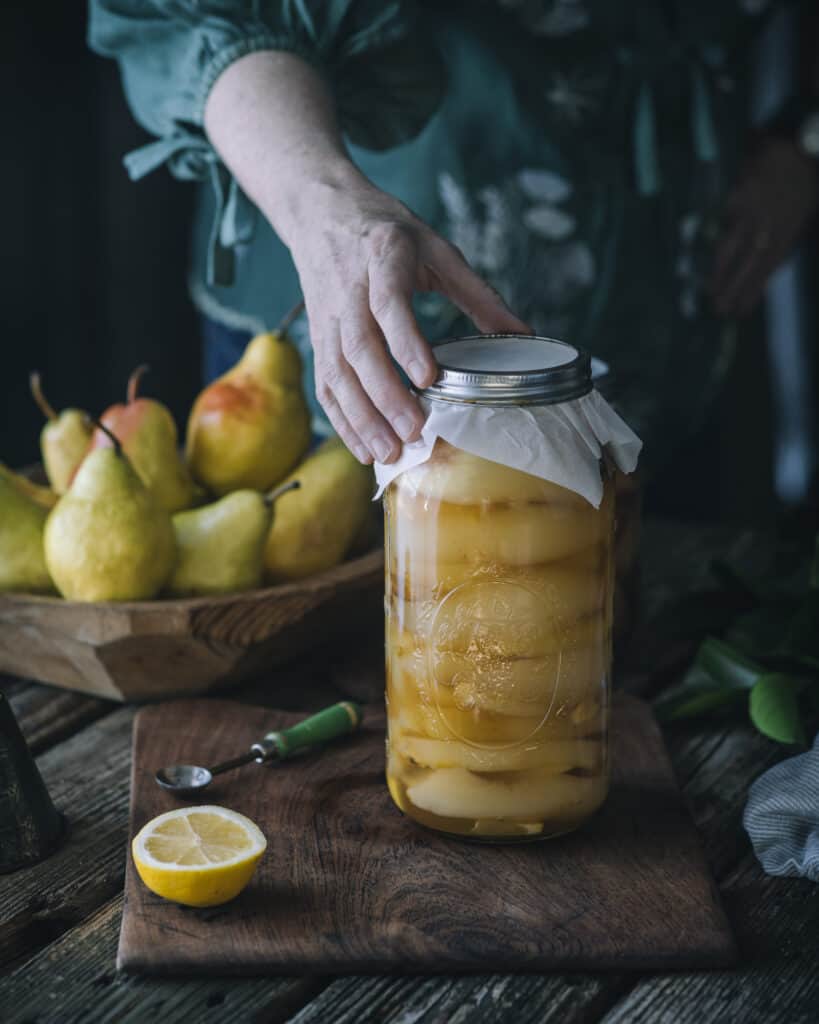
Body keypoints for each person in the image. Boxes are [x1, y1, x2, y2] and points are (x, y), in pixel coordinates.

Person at [88, 1, 819, 473]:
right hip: (359, 298)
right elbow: (203, 14)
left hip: (687, 303)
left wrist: (807, 140)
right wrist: (326, 204)